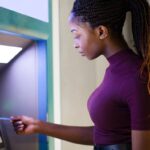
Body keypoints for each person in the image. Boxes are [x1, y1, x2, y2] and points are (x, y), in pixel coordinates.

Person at [11, 0, 150, 150]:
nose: (75, 44)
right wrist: (38, 126)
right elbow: (103, 135)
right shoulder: (116, 71)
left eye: (76, 35)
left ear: (101, 32)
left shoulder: (134, 76)